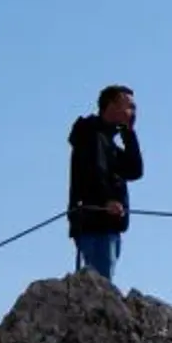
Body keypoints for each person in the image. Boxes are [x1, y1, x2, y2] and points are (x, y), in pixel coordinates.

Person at [67, 84, 143, 283]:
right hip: (95, 221)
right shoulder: (91, 135)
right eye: (129, 106)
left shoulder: (108, 141)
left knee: (104, 279)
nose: (133, 112)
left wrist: (129, 134)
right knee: (101, 284)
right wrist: (107, 200)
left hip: (107, 223)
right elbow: (93, 172)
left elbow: (134, 170)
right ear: (112, 106)